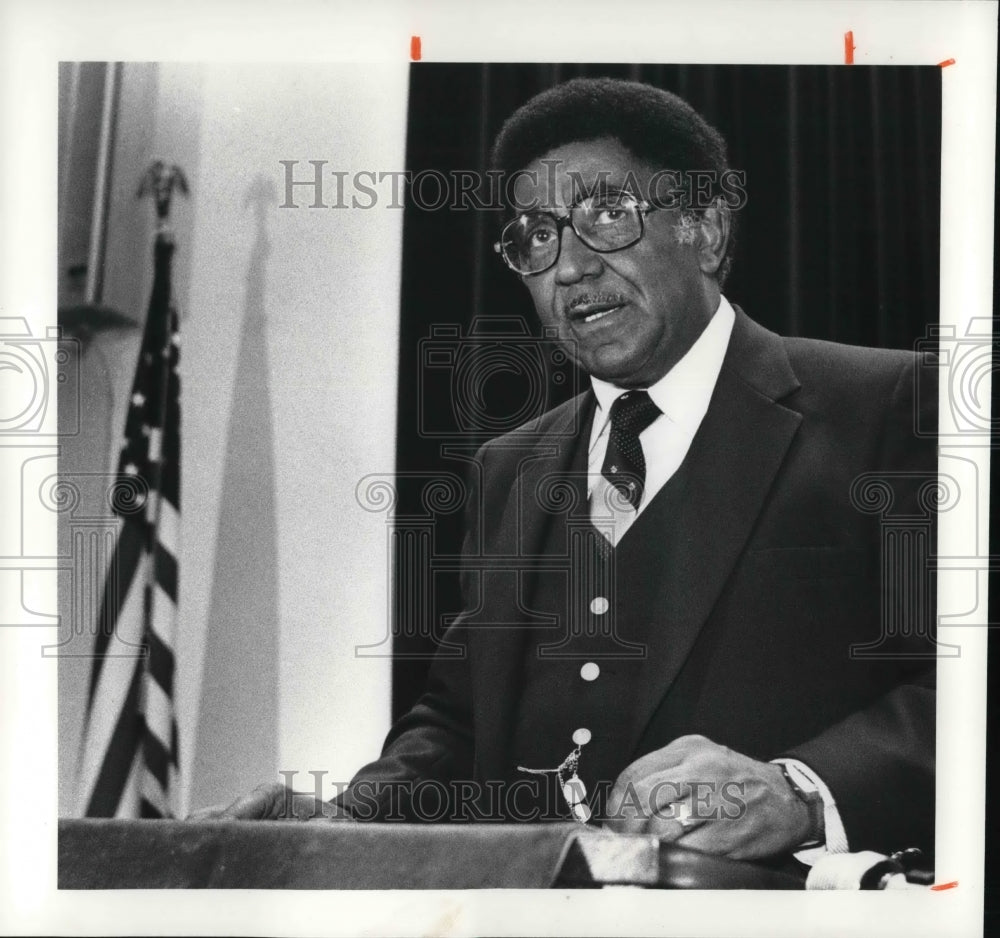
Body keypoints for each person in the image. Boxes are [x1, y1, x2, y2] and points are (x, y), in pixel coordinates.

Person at [192, 78, 936, 867]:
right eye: (536, 236)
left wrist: (801, 791)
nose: (571, 267)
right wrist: (345, 821)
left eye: (607, 216)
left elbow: (966, 688)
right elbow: (456, 722)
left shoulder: (887, 406)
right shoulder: (506, 468)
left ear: (706, 232)